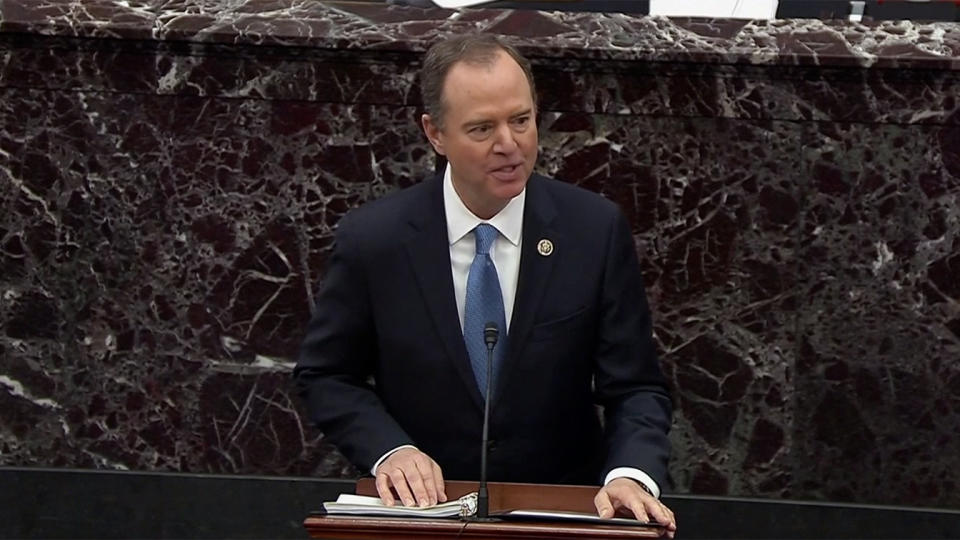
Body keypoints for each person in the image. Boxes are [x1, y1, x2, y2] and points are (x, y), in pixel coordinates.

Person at [294, 33, 676, 536]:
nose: (509, 145)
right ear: (435, 133)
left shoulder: (592, 231)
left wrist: (631, 474)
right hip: (422, 519)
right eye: (481, 128)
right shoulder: (375, 241)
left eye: (521, 120)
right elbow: (326, 376)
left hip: (559, 515)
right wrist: (391, 449)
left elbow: (637, 387)